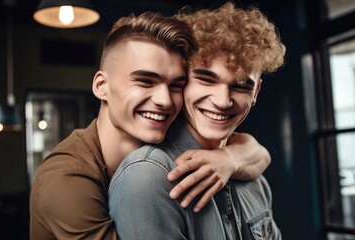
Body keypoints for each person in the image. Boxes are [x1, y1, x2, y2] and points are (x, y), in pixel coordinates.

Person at [29, 10, 271, 240]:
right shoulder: (67, 178)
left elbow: (257, 152)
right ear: (101, 86)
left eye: (176, 84)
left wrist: (229, 158)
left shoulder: (176, 131)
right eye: (145, 81)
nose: (164, 101)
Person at [108, 2, 286, 240]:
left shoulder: (255, 180)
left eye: (241, 86)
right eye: (206, 79)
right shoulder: (147, 174)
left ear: (256, 93)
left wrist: (232, 158)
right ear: (182, 81)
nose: (223, 101)